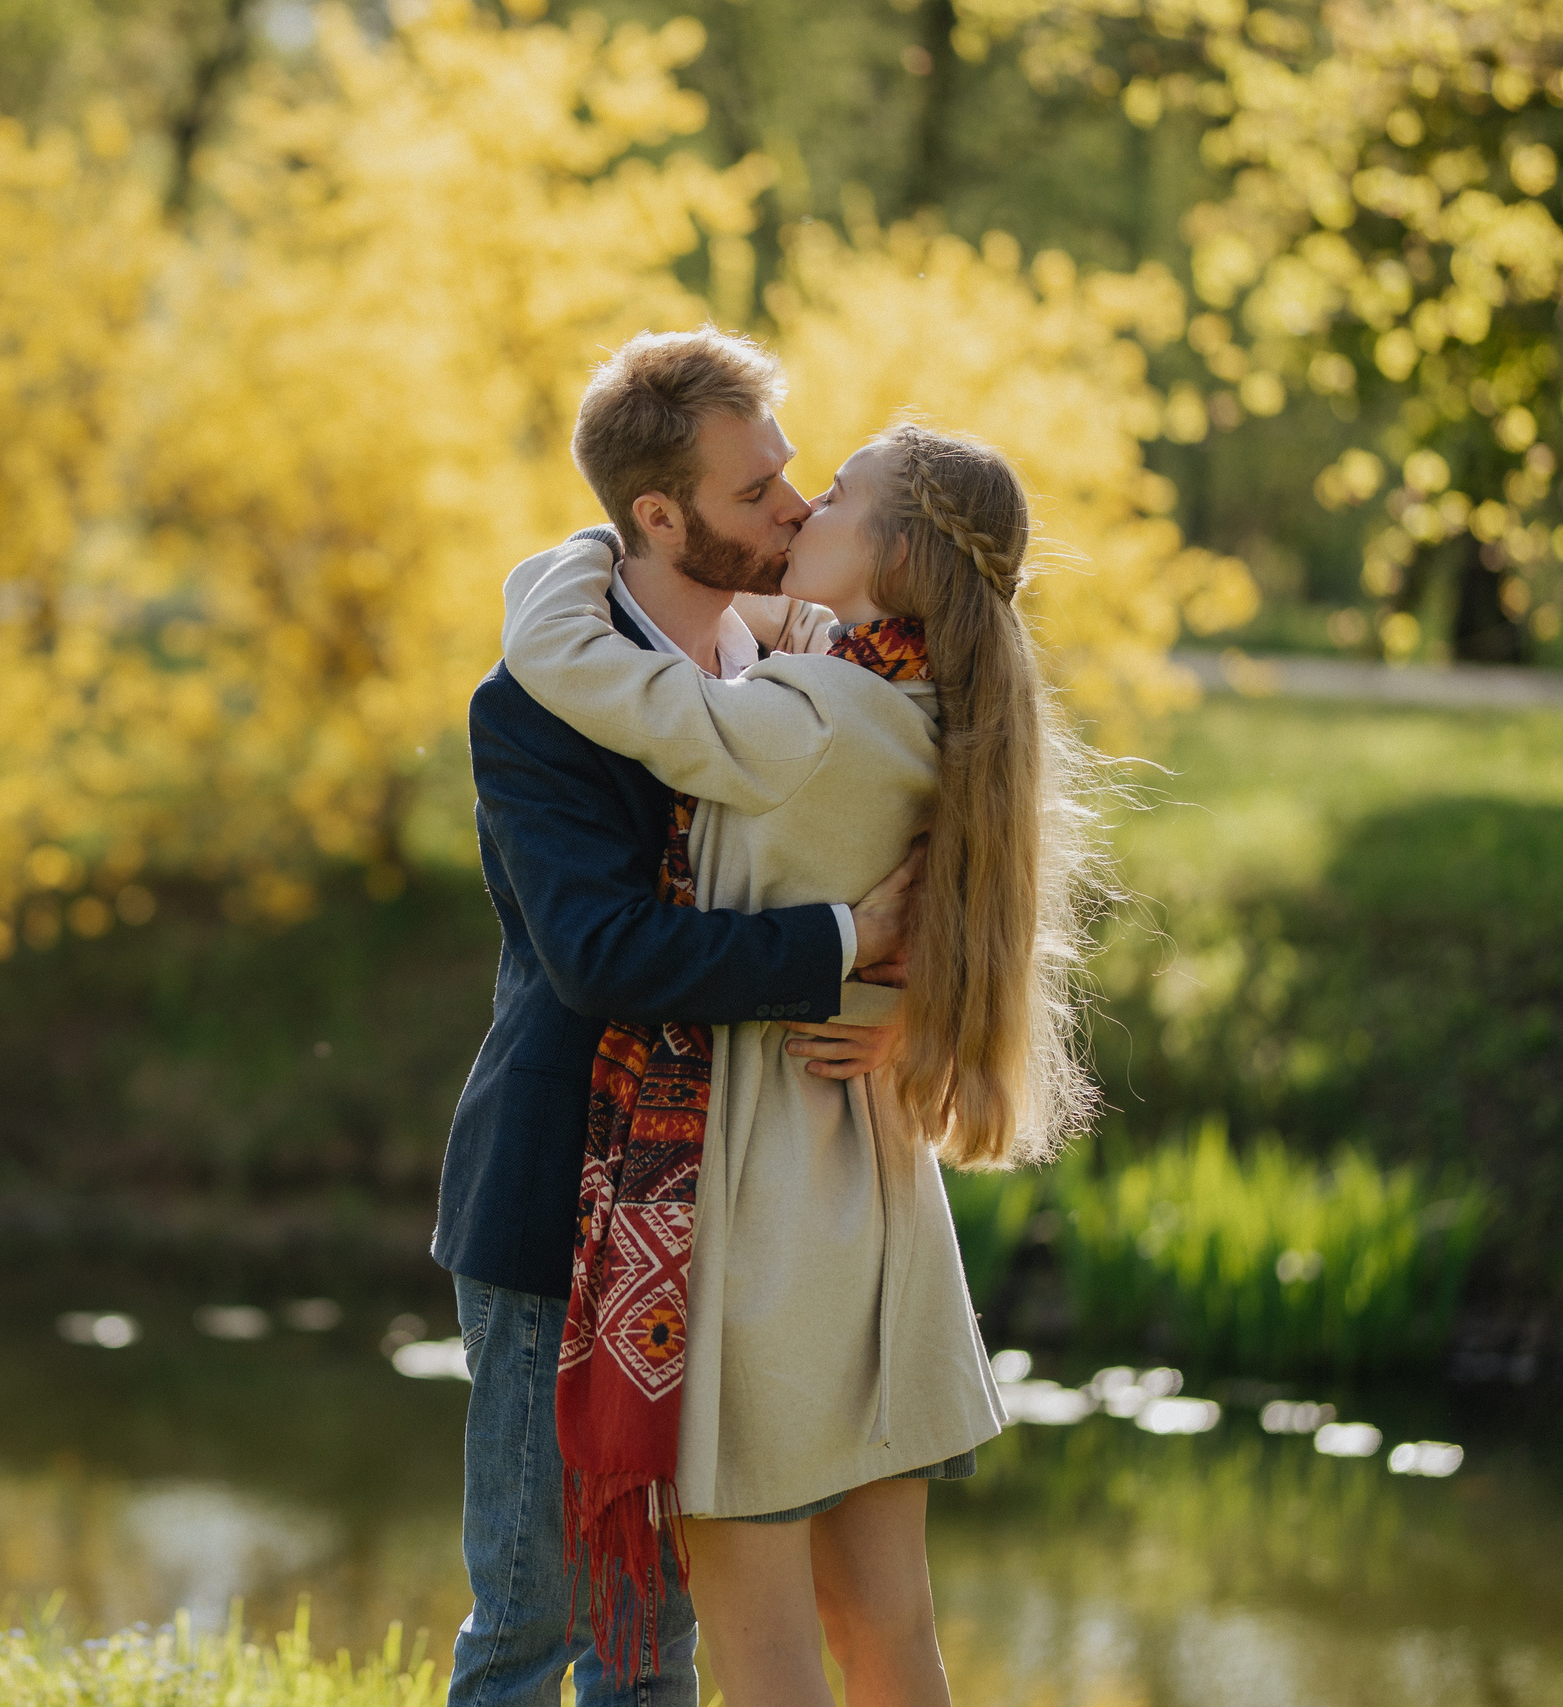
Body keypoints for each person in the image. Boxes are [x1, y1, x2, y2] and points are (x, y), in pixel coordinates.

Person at [500, 420, 1099, 1707]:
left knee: (761, 1641)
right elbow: (789, 652)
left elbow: (590, 674)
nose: (802, 505)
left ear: (889, 551)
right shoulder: (932, 701)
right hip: (869, 1186)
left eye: (836, 494)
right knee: (886, 1625)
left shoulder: (810, 718)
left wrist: (580, 555)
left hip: (761, 1193)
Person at [433, 326, 924, 1707]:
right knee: (533, 1622)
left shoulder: (802, 673)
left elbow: (955, 815)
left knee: (654, 1643)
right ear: (659, 516)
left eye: (790, 476)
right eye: (758, 490)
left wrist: (918, 981)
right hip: (556, 1207)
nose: (799, 507)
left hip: (731, 1209)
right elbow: (602, 953)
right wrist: (844, 943)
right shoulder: (540, 704)